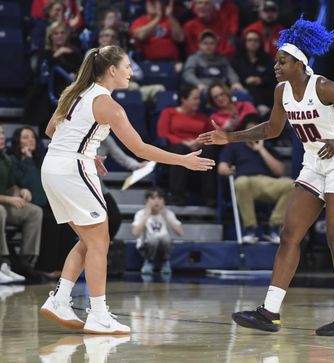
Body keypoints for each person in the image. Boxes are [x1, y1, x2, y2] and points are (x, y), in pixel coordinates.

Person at [198, 17, 334, 336]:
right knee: (289, 234)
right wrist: (229, 136)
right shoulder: (282, 92)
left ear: (299, 62)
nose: (276, 66)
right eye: (276, 61)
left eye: (282, 61)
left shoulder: (323, 86)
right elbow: (271, 129)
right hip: (313, 163)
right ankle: (270, 312)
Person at [39, 45, 215, 335]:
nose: (132, 72)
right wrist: (182, 160)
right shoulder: (107, 103)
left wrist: (89, 151)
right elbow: (140, 148)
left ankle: (59, 299)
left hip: (54, 166)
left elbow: (51, 131)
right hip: (73, 169)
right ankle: (97, 314)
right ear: (112, 70)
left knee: (89, 239)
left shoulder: (74, 93)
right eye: (127, 67)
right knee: (99, 242)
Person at [8, 126, 77, 276]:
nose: (30, 140)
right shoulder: (12, 160)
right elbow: (30, 184)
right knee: (50, 220)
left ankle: (63, 266)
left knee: (66, 220)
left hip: (45, 203)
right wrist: (27, 161)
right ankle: (45, 267)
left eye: (32, 137)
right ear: (17, 141)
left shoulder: (41, 159)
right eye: (25, 137)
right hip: (26, 204)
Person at [218, 114, 293, 243]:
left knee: (292, 185)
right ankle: (250, 229)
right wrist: (228, 170)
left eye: (256, 130)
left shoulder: (267, 148)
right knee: (241, 183)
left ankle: (274, 226)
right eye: (249, 131)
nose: (253, 133)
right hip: (246, 182)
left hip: (268, 183)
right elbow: (221, 167)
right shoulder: (234, 147)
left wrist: (261, 150)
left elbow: (279, 170)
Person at [157, 83, 218, 206]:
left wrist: (199, 142)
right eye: (194, 98)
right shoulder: (169, 112)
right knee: (180, 149)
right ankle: (177, 196)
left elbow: (212, 135)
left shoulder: (203, 118)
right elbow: (163, 134)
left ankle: (210, 197)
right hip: (176, 148)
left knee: (210, 150)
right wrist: (183, 142)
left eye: (199, 98)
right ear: (184, 99)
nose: (198, 102)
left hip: (198, 148)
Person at [0, 125, 43, 283]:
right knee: (0, 211)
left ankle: (25, 261)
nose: (2, 137)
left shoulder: (4, 158)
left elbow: (12, 185)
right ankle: (3, 262)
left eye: (3, 133)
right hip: (2, 205)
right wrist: (9, 199)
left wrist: (21, 190)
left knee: (34, 211)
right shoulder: (11, 158)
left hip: (4, 203)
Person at [132, 187, 183, 275]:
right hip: (146, 246)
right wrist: (146, 216)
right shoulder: (141, 214)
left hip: (164, 245)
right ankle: (149, 261)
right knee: (153, 238)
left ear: (164, 201)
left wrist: (166, 217)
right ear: (146, 201)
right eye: (153, 198)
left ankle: (165, 261)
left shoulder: (168, 213)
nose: (156, 201)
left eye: (159, 198)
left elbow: (180, 233)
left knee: (165, 238)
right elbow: (135, 232)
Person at [231, 30, 276, 114]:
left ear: (260, 42)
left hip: (265, 90)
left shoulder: (267, 59)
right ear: (244, 42)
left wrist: (260, 80)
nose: (253, 43)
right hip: (245, 90)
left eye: (256, 40)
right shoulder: (237, 60)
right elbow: (234, 77)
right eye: (250, 40)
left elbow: (274, 77)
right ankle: (259, 107)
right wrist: (245, 80)